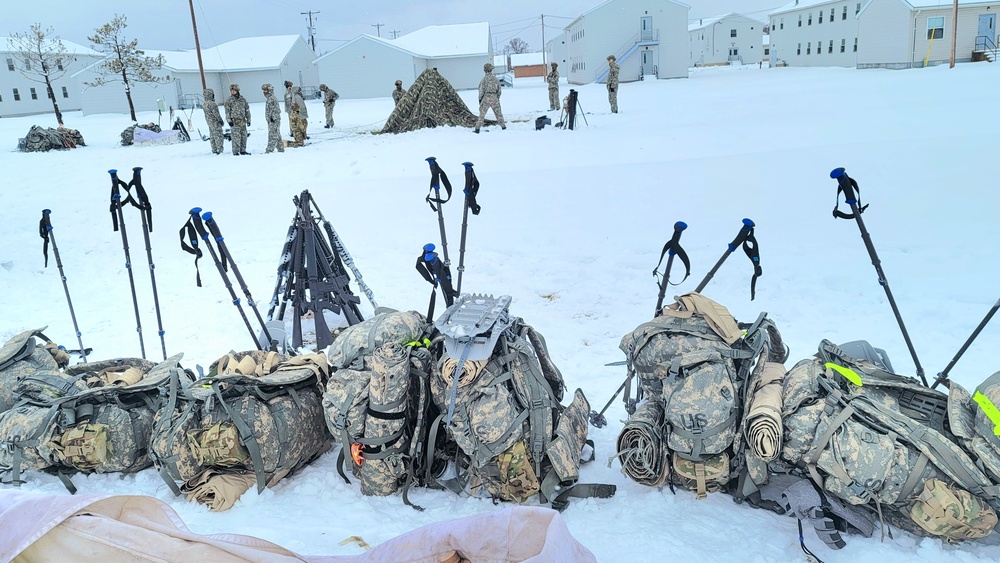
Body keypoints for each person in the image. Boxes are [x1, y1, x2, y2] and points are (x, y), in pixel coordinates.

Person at [474, 63, 505, 134]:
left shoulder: (483, 80)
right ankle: (503, 127)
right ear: (491, 70)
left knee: (482, 114)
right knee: (499, 114)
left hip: (486, 98)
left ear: (485, 70)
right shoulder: (496, 79)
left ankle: (477, 129)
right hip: (494, 97)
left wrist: (480, 99)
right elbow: (499, 90)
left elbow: (481, 91)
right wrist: (496, 97)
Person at [224, 83, 250, 155]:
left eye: (234, 90)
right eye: (231, 90)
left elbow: (247, 110)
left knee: (244, 136)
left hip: (242, 121)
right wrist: (229, 121)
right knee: (236, 138)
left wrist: (249, 120)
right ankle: (235, 151)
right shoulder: (229, 100)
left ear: (237, 90)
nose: (232, 92)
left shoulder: (242, 99)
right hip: (234, 122)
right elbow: (227, 112)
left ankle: (243, 150)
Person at [261, 83, 284, 153]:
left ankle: (269, 150)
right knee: (277, 134)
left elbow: (276, 110)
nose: (264, 92)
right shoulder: (269, 98)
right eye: (263, 90)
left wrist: (272, 118)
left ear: (269, 90)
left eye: (266, 90)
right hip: (272, 120)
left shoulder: (272, 98)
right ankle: (280, 148)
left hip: (274, 120)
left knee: (272, 135)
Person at [202, 88, 224, 154]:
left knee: (212, 136)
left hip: (209, 122)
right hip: (215, 122)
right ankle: (219, 149)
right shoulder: (212, 104)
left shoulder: (204, 104)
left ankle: (214, 149)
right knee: (218, 135)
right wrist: (220, 120)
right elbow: (216, 114)